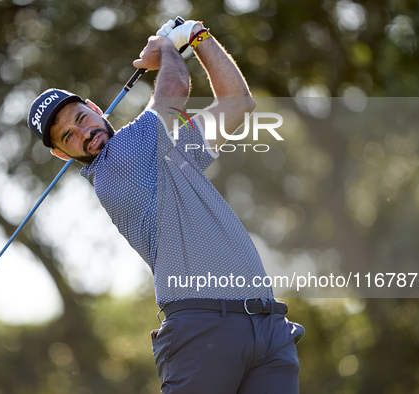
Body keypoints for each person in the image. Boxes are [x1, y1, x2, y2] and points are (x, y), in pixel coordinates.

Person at [27, 19, 304, 394]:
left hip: (267, 325)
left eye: (80, 119)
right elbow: (175, 87)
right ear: (62, 154)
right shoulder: (117, 163)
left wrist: (198, 36)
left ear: (93, 107)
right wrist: (168, 45)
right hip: (205, 328)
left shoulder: (167, 156)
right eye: (69, 137)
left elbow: (238, 102)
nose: (85, 134)